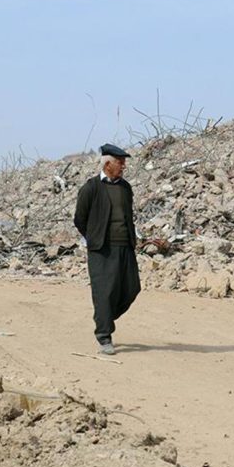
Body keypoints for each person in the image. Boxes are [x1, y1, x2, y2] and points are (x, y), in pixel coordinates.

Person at [73, 143, 141, 355]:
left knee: (131, 288)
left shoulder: (125, 188)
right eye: (120, 163)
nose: (123, 166)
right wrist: (94, 238)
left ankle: (104, 316)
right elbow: (79, 219)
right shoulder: (91, 188)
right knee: (104, 292)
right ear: (108, 164)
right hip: (102, 249)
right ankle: (104, 335)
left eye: (123, 163)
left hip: (125, 246)